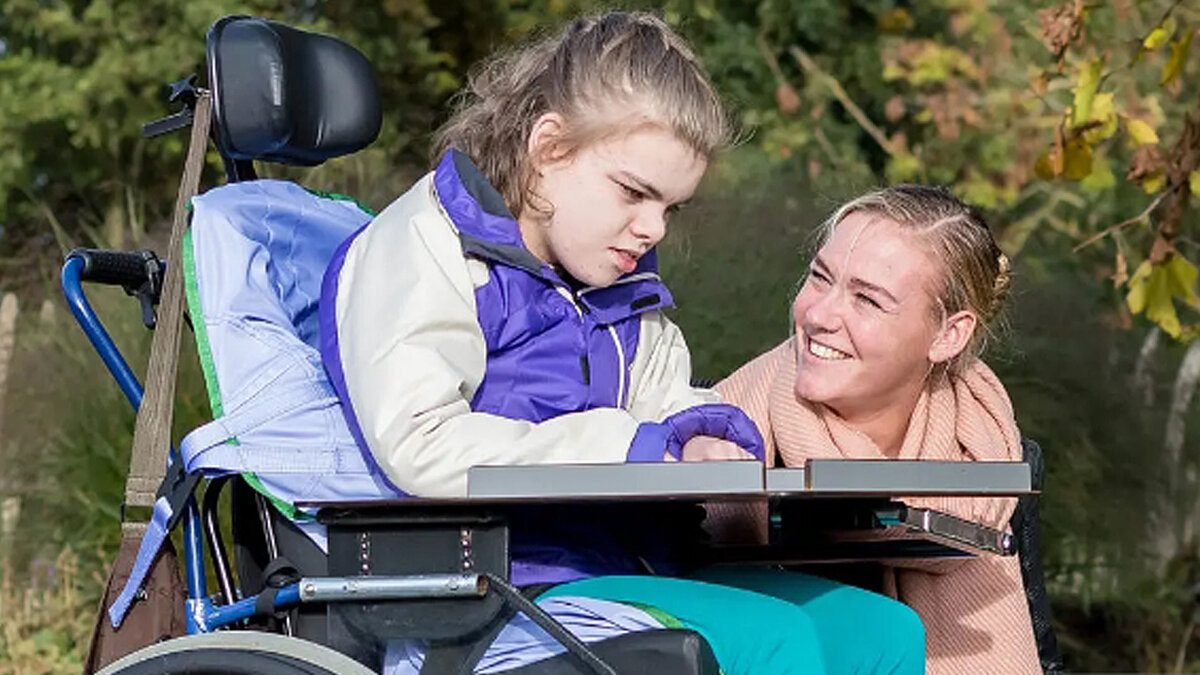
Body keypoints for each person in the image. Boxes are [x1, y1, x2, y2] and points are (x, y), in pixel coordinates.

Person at [319, 11, 923, 675]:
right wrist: (632, 445)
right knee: (775, 638)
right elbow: (420, 443)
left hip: (625, 564)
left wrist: (700, 437)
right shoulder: (423, 247)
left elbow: (664, 404)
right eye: (634, 193)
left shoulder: (614, 279)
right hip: (489, 592)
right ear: (550, 148)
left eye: (670, 208)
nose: (652, 229)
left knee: (880, 629)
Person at [716, 185, 1042, 674]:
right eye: (820, 277)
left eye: (867, 300)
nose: (818, 315)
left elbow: (1042, 649)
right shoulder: (718, 432)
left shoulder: (990, 460)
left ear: (948, 335)